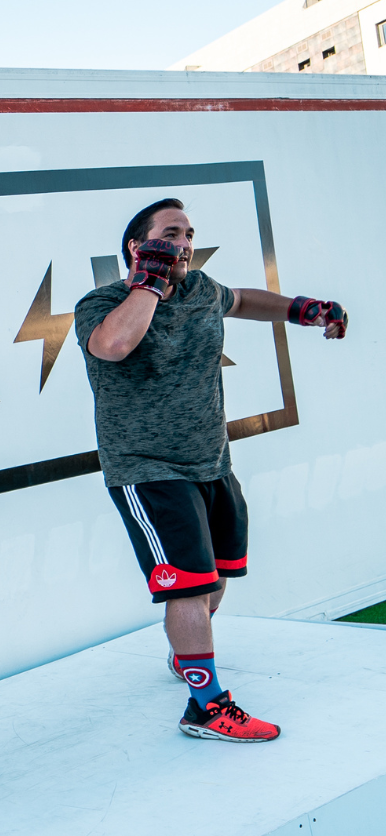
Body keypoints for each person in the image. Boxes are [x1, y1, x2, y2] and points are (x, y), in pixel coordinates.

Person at [74, 199, 347, 742]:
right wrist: (147, 284)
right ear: (138, 245)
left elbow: (242, 299)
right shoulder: (102, 304)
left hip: (210, 458)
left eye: (190, 233)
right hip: (147, 468)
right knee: (189, 588)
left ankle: (187, 657)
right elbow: (113, 345)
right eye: (171, 232)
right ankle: (206, 707)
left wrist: (303, 309)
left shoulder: (200, 290)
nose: (185, 242)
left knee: (221, 574)